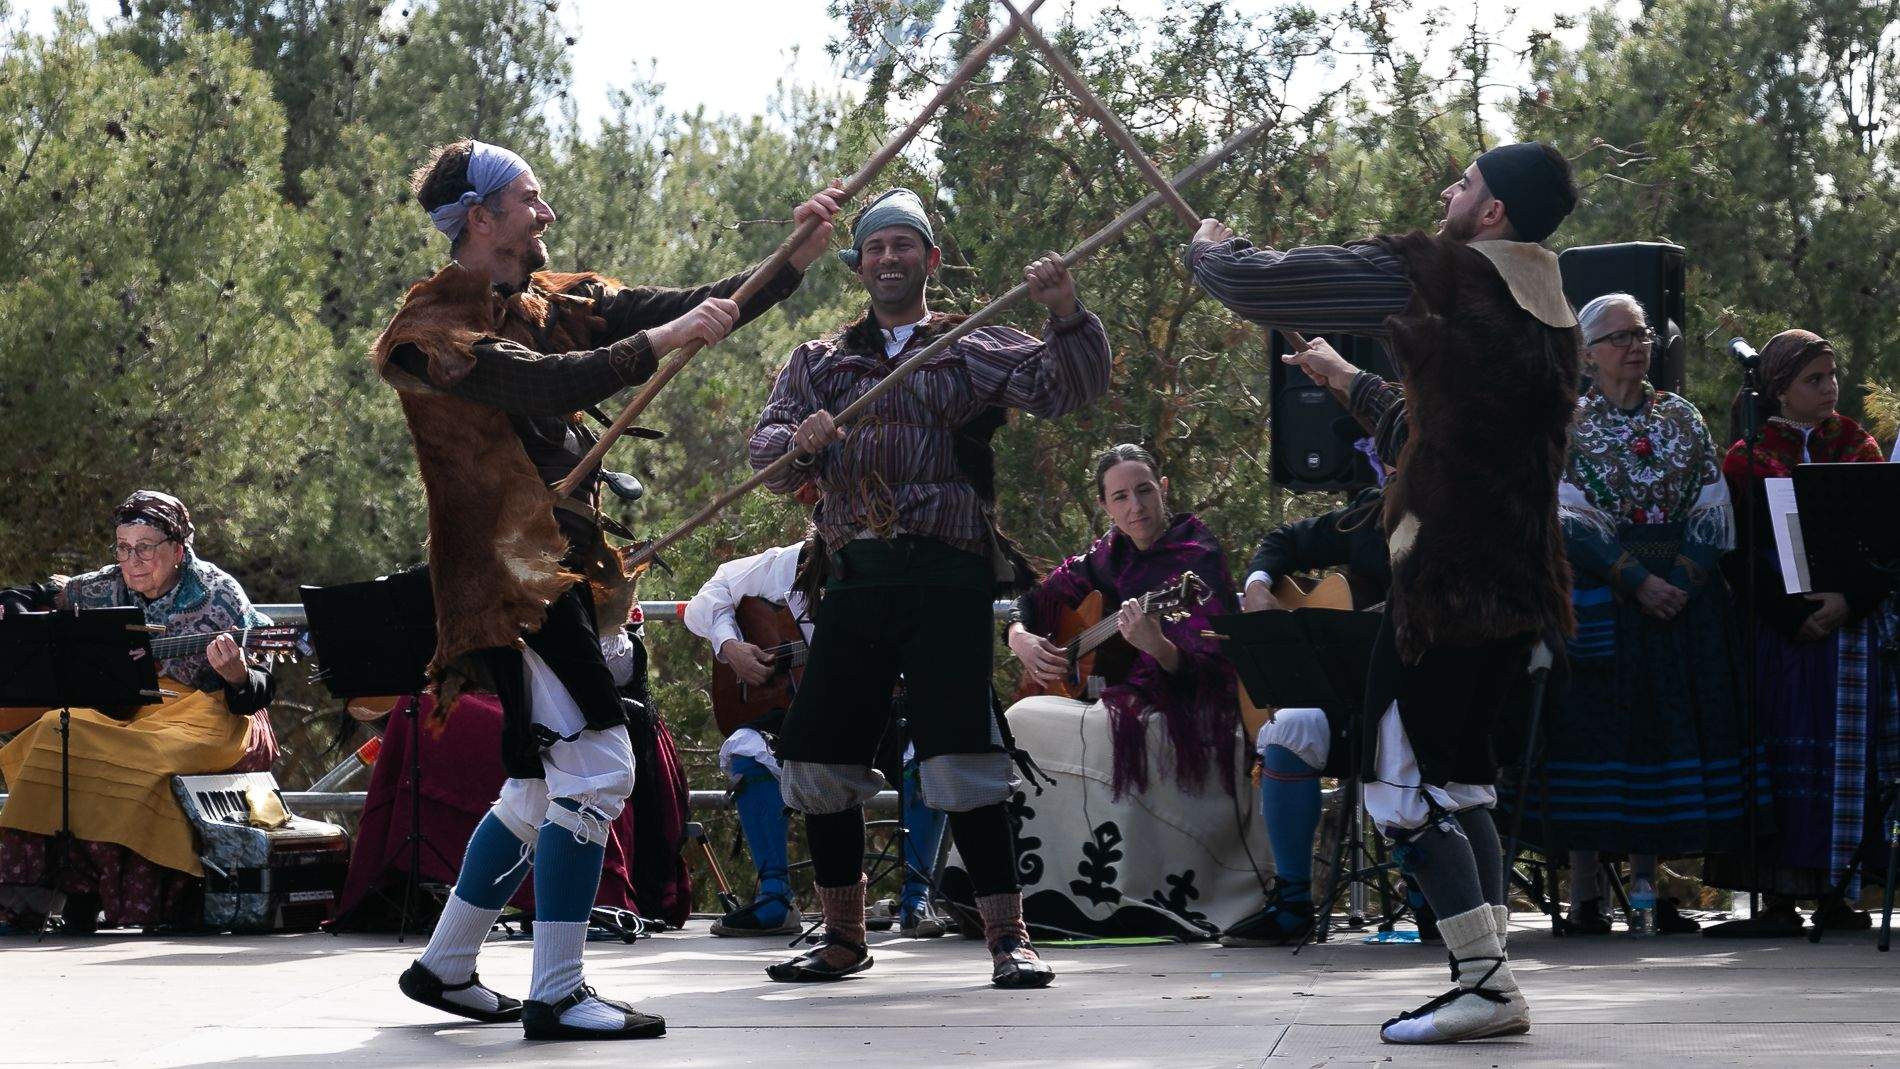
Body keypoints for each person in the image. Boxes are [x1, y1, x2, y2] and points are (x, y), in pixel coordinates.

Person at [375, 137, 839, 1040]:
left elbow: (696, 305)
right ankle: (557, 989)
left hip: (563, 578)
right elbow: (539, 381)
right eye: (530, 199)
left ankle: (445, 964)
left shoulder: (554, 298)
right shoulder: (425, 332)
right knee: (597, 766)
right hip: (512, 585)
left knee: (538, 791)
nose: (546, 214)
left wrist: (793, 257)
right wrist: (659, 343)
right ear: (481, 216)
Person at [1189, 142, 1581, 1043]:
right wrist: (1344, 378)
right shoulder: (1548, 314)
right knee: (1462, 783)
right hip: (1515, 581)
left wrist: (1212, 252)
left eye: (1467, 181)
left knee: (1405, 790)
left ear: (1492, 213)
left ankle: (1484, 984)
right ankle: (1487, 978)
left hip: (1442, 581)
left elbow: (1265, 288)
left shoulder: (1443, 272)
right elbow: (1437, 429)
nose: (1450, 188)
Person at [749, 187, 1111, 988]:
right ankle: (842, 935)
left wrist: (1065, 311)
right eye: (875, 247)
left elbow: (1063, 389)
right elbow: (766, 454)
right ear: (858, 265)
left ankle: (1008, 938)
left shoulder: (969, 346)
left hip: (947, 573)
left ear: (930, 261)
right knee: (818, 750)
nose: (889, 258)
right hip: (856, 573)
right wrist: (799, 442)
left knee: (960, 753)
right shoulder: (819, 362)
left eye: (904, 245)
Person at [1532, 293, 1751, 935]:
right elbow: (1567, 512)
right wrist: (1636, 580)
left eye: (1643, 333)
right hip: (1603, 602)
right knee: (1597, 739)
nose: (1636, 345)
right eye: (1621, 336)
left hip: (1682, 604)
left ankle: (1650, 891)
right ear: (1587, 353)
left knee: (1661, 737)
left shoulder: (1680, 417)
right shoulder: (1569, 422)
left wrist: (1678, 580)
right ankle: (1585, 896)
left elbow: (1713, 505)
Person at [988, 444, 1262, 941]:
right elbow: (1036, 599)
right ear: (1106, 507)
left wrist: (1157, 647)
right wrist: (1020, 637)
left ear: (1164, 491)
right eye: (1120, 497)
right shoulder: (1106, 555)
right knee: (1024, 715)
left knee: (1026, 718)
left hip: (1192, 711)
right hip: (1123, 701)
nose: (1135, 506)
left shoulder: (1197, 555)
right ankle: (1025, 893)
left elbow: (1209, 665)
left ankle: (1105, 895)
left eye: (1144, 491)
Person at [1219, 391, 1442, 947]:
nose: (1394, 470)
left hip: (1433, 706)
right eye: (1389, 460)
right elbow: (1284, 540)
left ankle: (1432, 895)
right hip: (1350, 703)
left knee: (1398, 732)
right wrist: (1259, 584)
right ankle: (1292, 902)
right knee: (1290, 728)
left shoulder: (1466, 520)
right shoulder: (1367, 513)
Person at [0, 491, 276, 933]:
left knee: (145, 758)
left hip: (204, 712)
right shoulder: (103, 586)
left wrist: (238, 676)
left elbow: (260, 686)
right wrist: (14, 609)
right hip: (127, 709)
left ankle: (159, 904)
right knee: (53, 730)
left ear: (177, 550)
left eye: (145, 547)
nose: (133, 560)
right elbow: (33, 594)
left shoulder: (220, 592)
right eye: (124, 547)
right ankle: (54, 895)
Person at [1704, 329, 1897, 936]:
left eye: (1832, 375)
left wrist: (1850, 600)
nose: (1829, 387)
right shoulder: (1749, 455)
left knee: (1849, 761)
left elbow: (1888, 540)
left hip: (1851, 634)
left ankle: (1839, 892)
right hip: (1781, 637)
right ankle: (1779, 895)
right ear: (1780, 389)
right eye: (1814, 378)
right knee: (1782, 755)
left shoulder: (1857, 446)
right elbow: (1738, 552)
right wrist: (1792, 615)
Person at [682, 538, 950, 938]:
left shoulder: (900, 568)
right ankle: (775, 897)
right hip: (803, 709)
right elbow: (711, 593)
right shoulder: (790, 562)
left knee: (925, 756)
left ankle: (917, 896)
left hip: (880, 706)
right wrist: (731, 646)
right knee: (747, 749)